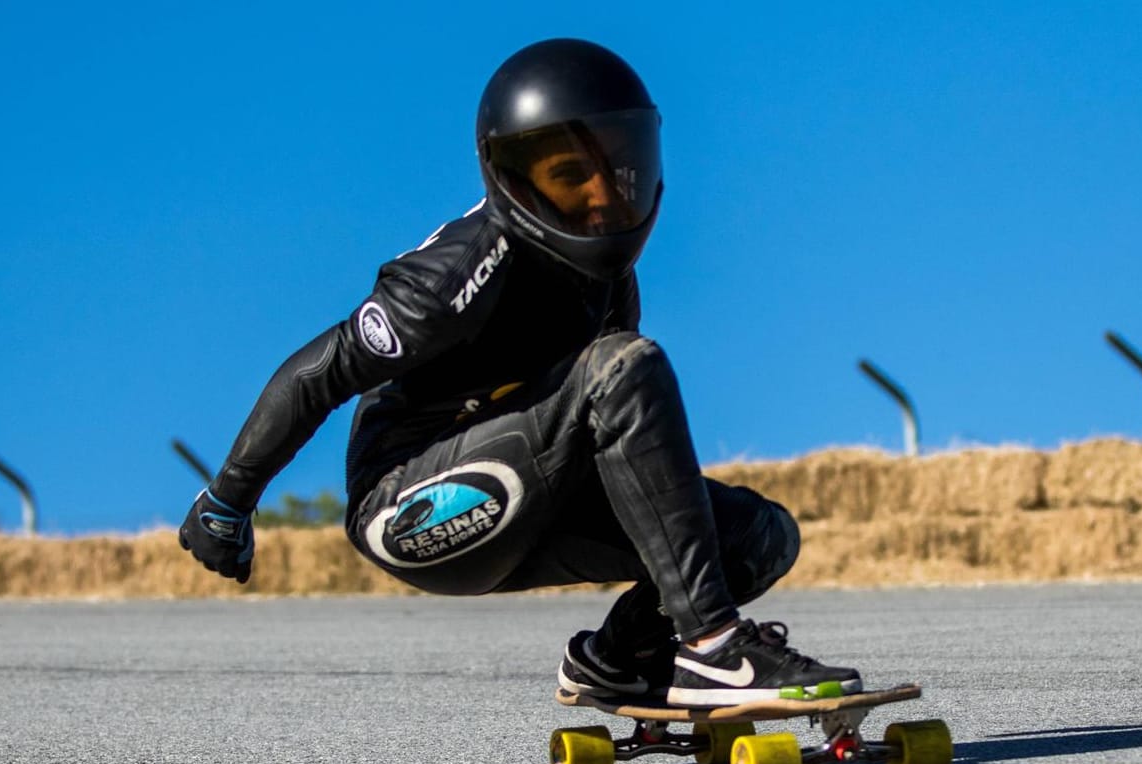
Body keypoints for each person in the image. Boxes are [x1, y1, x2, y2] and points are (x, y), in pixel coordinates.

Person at [179, 37, 863, 707]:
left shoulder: (606, 277)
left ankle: (618, 661)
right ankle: (714, 650)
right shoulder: (456, 274)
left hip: (535, 493)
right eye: (570, 177)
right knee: (623, 365)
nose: (601, 197)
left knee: (758, 535)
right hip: (412, 509)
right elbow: (317, 373)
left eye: (617, 167)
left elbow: (616, 430)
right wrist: (226, 503)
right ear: (513, 180)